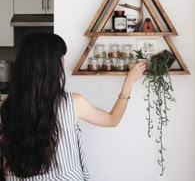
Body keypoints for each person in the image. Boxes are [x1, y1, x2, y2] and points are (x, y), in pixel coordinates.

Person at [0, 33, 147, 181]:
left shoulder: (6, 107)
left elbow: (6, 161)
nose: (63, 61)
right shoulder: (72, 103)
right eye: (60, 57)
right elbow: (112, 120)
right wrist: (129, 82)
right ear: (50, 65)